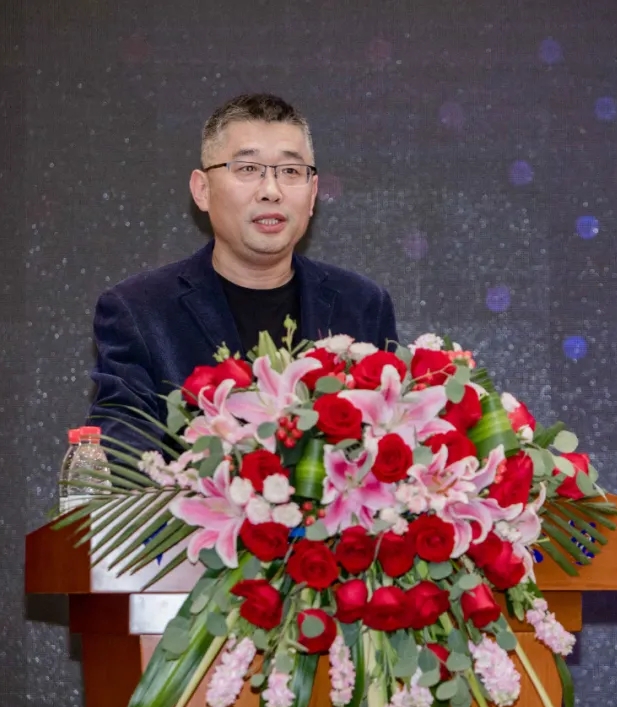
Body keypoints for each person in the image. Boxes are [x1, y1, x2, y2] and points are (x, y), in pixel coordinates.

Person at [87, 93, 399, 454]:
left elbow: (391, 440)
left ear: (313, 193)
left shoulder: (362, 305)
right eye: (248, 169)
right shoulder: (139, 311)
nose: (271, 191)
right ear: (202, 190)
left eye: (291, 171)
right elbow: (122, 455)